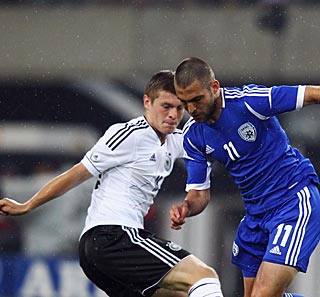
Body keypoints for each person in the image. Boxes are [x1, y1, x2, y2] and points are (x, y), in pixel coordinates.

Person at [0, 70, 224, 297]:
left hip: (101, 253)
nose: (173, 115)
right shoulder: (129, 135)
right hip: (112, 237)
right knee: (204, 277)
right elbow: (76, 174)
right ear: (147, 101)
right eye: (166, 106)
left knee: (179, 294)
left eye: (179, 108)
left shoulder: (175, 140)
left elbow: (213, 143)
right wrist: (27, 205)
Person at [169, 57, 320, 297]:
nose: (191, 109)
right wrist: (186, 208)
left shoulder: (248, 102)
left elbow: (312, 93)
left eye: (197, 99)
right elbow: (199, 194)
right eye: (184, 102)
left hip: (292, 202)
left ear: (215, 87)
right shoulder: (193, 137)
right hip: (256, 217)